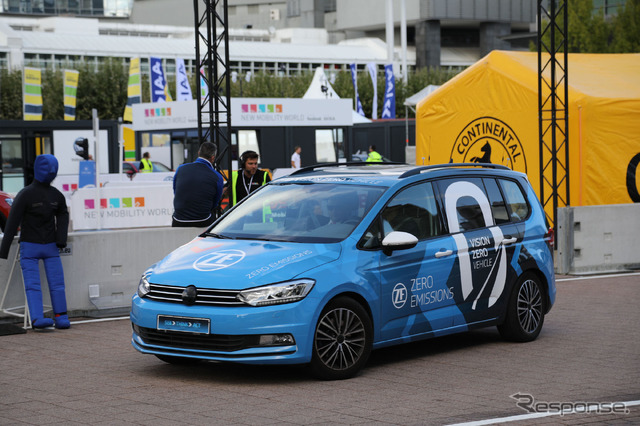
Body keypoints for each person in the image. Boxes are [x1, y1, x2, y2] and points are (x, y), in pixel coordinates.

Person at [0, 155, 70, 329]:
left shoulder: (25, 194)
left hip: (32, 246)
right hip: (48, 246)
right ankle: (57, 317)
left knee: (34, 285)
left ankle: (41, 318)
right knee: (56, 284)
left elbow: (11, 223)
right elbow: (63, 215)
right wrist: (61, 239)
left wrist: (4, 250)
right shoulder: (57, 196)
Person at [172, 142, 224, 228]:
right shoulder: (217, 177)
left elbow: (176, 191)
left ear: (199, 153)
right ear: (213, 158)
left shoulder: (180, 169)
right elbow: (215, 203)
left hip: (179, 220)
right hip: (203, 220)